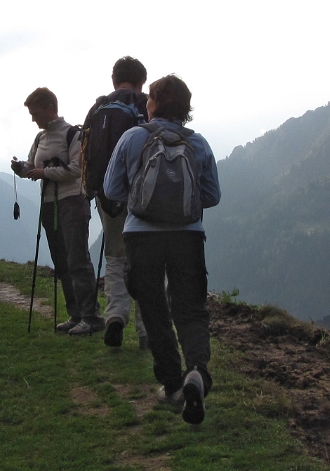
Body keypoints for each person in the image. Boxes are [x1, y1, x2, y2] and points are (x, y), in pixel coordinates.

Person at [103, 75, 220, 424]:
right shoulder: (198, 144)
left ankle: (171, 385)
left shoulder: (133, 137)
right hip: (188, 236)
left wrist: (143, 201)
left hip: (141, 237)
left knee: (153, 308)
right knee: (190, 308)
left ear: (152, 103)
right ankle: (197, 371)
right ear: (186, 108)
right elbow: (212, 195)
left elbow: (111, 188)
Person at [11, 87, 102, 336]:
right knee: (62, 261)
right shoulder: (40, 138)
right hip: (49, 204)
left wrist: (44, 173)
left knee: (77, 260)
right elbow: (33, 165)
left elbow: (76, 169)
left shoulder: (73, 134)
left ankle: (91, 317)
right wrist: (22, 168)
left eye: (35, 112)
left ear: (50, 108)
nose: (33, 118)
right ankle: (76, 314)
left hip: (72, 200)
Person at [81, 57, 149, 350]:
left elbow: (84, 151)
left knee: (115, 257)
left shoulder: (98, 108)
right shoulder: (146, 105)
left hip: (106, 196)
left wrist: (92, 188)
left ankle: (114, 317)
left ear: (114, 80)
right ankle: (147, 330)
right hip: (141, 198)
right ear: (141, 81)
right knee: (146, 261)